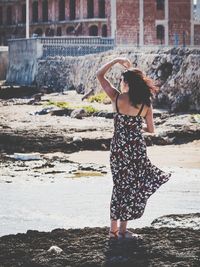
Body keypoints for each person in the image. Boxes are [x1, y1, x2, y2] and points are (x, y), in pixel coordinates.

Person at [96, 57, 172, 239]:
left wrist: (116, 60)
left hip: (119, 149)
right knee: (131, 186)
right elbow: (152, 130)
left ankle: (114, 231)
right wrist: (136, 128)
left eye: (122, 80)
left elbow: (100, 75)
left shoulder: (117, 98)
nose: (120, 83)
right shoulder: (146, 104)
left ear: (126, 83)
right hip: (137, 148)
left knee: (119, 186)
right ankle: (122, 230)